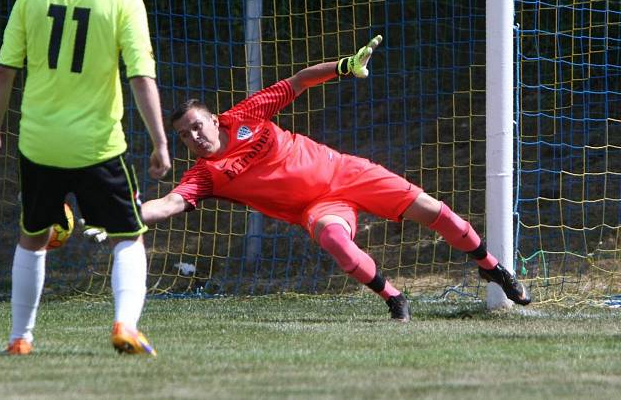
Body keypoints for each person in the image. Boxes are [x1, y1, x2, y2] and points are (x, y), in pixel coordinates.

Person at [141, 36, 531, 320]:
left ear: (212, 118)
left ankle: (492, 267)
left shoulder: (245, 115)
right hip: (318, 206)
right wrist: (135, 210)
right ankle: (395, 299)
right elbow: (172, 203)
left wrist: (345, 65)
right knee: (334, 240)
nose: (194, 137)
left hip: (347, 172)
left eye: (196, 126)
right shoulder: (205, 175)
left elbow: (297, 82)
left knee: (430, 209)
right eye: (184, 135)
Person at [0, 0, 171, 356]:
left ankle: (20, 338)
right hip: (97, 146)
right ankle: (125, 324)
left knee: (32, 236)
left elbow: (6, 69)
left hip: (40, 143)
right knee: (129, 235)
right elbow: (141, 77)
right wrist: (161, 140)